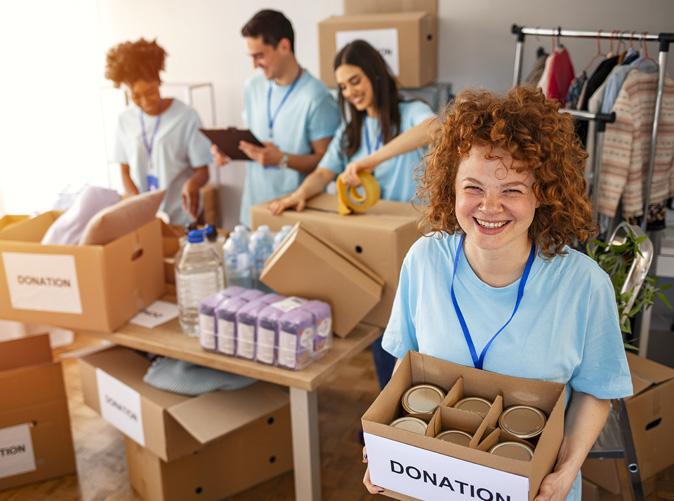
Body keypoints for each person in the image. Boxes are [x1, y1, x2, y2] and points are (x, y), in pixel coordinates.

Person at [361, 87, 633, 501]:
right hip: (437, 485)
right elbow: (406, 364)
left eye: (511, 190)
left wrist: (566, 472)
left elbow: (597, 391)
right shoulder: (423, 262)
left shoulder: (584, 285)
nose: (489, 207)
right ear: (450, 186)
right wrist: (386, 446)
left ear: (542, 193)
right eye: (473, 187)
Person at [269, 40, 435, 391]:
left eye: (355, 81)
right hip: (372, 250)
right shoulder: (350, 131)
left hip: (412, 247)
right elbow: (323, 172)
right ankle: (387, 420)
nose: (350, 92)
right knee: (383, 338)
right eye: (343, 86)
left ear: (376, 73)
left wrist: (370, 160)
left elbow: (435, 129)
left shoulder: (410, 113)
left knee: (421, 343)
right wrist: (298, 195)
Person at [212, 9, 341, 228]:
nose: (254, 64)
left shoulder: (317, 98)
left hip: (294, 216)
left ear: (284, 46)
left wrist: (283, 159)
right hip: (252, 212)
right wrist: (229, 148)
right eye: (251, 56)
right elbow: (253, 140)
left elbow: (327, 164)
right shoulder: (253, 87)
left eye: (259, 55)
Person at [105, 38, 212, 226]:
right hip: (146, 219)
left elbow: (203, 171)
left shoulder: (186, 116)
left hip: (184, 216)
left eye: (151, 91)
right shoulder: (125, 120)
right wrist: (138, 204)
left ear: (159, 81)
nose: (145, 101)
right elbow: (124, 172)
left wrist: (193, 183)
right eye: (136, 96)